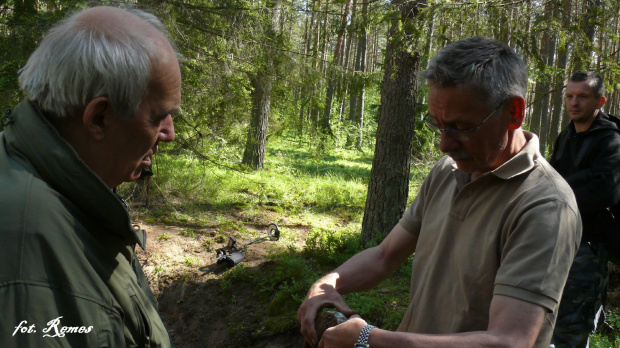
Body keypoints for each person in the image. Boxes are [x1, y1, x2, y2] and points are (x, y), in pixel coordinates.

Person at [297, 36, 581, 348]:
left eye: (462, 127)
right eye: (438, 126)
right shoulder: (447, 171)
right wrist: (328, 283)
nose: (445, 144)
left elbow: (509, 341)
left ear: (514, 112)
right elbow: (384, 256)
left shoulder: (546, 205)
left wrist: (368, 339)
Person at [0, 6, 180, 347]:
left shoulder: (69, 193)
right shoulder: (26, 253)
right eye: (159, 116)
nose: (169, 133)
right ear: (99, 118)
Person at [550, 71, 620, 348]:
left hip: (588, 248)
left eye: (582, 96)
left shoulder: (610, 140)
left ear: (600, 101)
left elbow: (607, 191)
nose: (574, 102)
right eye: (569, 96)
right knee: (549, 318)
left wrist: (562, 194)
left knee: (573, 327)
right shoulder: (566, 136)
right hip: (557, 241)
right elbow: (551, 180)